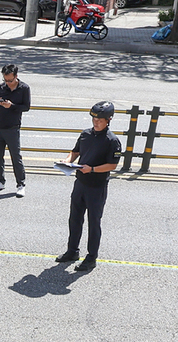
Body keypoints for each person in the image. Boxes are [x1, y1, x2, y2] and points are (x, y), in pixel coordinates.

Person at [56, 100, 122, 273]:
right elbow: (75, 151)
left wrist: (92, 169)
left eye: (100, 120)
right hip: (80, 184)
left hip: (96, 187)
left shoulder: (112, 141)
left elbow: (112, 165)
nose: (96, 122)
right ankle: (72, 251)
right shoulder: (85, 134)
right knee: (74, 219)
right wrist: (68, 160)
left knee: (94, 223)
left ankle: (91, 258)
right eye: (94, 119)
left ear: (109, 119)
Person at [0, 64, 30, 197]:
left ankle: (20, 184)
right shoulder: (0, 88)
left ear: (16, 76)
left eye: (10, 80)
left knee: (16, 157)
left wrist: (11, 106)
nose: (7, 83)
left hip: (13, 127)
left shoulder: (24, 88)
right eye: (5, 80)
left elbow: (26, 107)